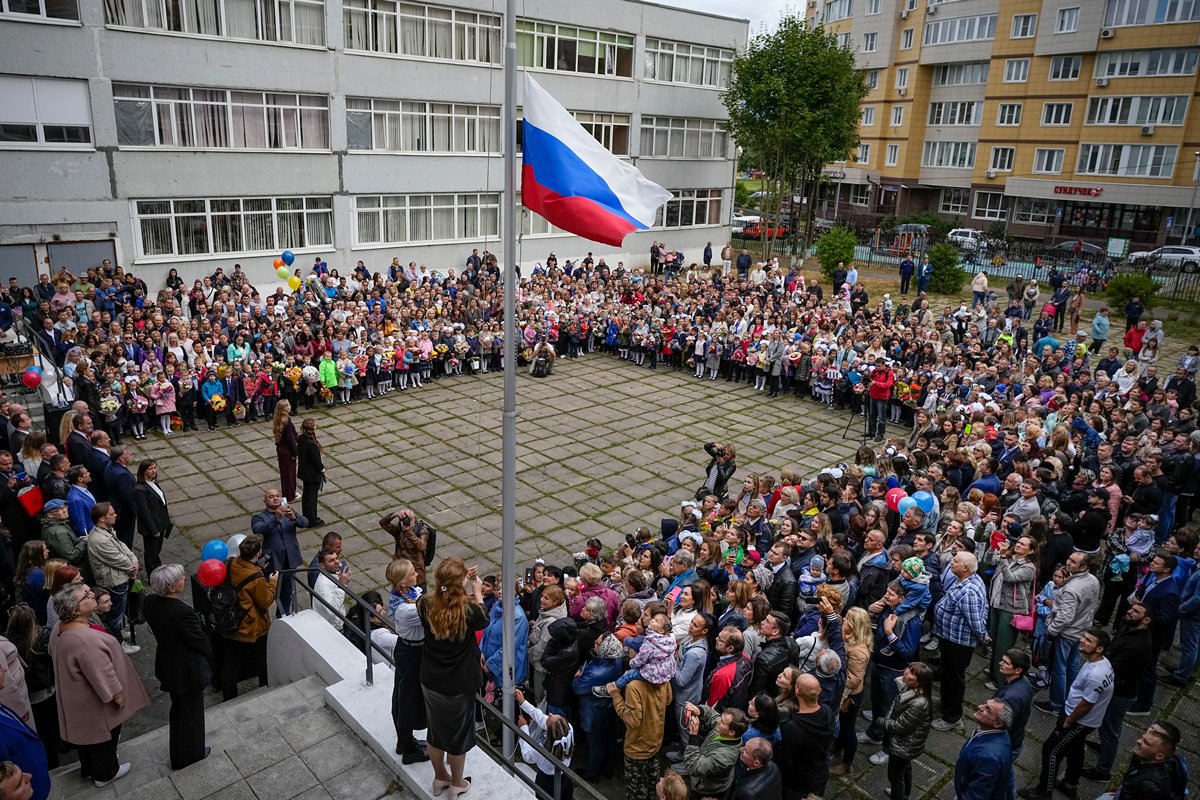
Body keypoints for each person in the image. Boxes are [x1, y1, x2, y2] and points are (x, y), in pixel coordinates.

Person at [47, 583, 149, 787]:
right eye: (86, 595)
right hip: (93, 701)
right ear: (75, 610)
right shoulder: (84, 639)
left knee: (87, 736)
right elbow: (102, 672)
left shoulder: (60, 628)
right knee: (105, 736)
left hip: (75, 696)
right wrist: (117, 695)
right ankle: (106, 773)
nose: (92, 594)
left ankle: (88, 769)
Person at [416, 557, 488, 800]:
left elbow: (444, 594)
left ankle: (440, 777)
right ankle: (457, 783)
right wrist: (476, 591)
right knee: (458, 738)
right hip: (458, 685)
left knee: (435, 732)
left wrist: (458, 581)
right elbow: (482, 617)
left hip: (431, 680)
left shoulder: (424, 603)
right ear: (460, 585)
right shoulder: (470, 612)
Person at [1020, 628, 1115, 800]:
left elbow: (1086, 704)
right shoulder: (1101, 662)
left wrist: (1068, 720)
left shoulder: (1095, 675)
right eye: (1084, 637)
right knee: (1075, 750)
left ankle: (1044, 791)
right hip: (1083, 719)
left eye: (1088, 640)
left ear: (1099, 648)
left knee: (1051, 750)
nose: (1082, 640)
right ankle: (1070, 784)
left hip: (1078, 721)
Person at [142, 564, 211, 770]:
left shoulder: (150, 602)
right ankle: (192, 754)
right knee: (191, 714)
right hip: (187, 671)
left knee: (179, 711)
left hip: (168, 664)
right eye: (181, 578)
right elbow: (198, 641)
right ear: (172, 587)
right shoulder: (182, 613)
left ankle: (180, 754)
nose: (184, 580)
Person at [1082, 603, 1152, 781]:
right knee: (1107, 727)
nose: (1130, 611)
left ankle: (1103, 770)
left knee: (1111, 729)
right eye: (1132, 608)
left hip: (1120, 693)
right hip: (1114, 687)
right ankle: (1105, 748)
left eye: (1136, 611)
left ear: (1146, 620)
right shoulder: (1128, 625)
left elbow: (1114, 670)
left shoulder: (1137, 645)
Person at [931, 551, 989, 733]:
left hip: (958, 642)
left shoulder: (969, 591)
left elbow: (975, 620)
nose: (951, 563)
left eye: (955, 561)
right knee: (948, 675)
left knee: (954, 678)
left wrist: (983, 637)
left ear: (965, 568)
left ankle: (952, 717)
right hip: (950, 638)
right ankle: (946, 701)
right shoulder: (967, 579)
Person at [1036, 551, 1100, 715]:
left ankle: (1056, 703)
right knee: (1072, 666)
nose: (1068, 562)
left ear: (1083, 567)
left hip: (1067, 633)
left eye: (1073, 561)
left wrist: (1051, 630)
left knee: (1059, 669)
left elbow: (1065, 617)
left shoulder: (1071, 589)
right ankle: (1072, 698)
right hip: (1082, 630)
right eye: (1069, 558)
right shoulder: (1093, 580)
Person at [221, 534, 277, 701]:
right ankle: (265, 688)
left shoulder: (230, 563)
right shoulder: (256, 577)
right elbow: (265, 600)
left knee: (231, 664)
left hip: (231, 622)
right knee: (262, 659)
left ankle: (229, 697)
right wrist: (273, 582)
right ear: (258, 553)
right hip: (251, 627)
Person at [608, 662, 673, 800]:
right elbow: (669, 699)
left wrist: (616, 696)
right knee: (652, 786)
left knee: (636, 791)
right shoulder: (664, 678)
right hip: (655, 742)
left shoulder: (634, 686)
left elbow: (632, 720)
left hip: (637, 748)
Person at [385, 558, 428, 764]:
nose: (416, 575)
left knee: (402, 695)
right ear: (402, 583)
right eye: (412, 573)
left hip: (407, 650)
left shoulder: (407, 594)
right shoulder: (407, 610)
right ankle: (409, 749)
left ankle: (405, 741)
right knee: (407, 700)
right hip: (413, 654)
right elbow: (434, 609)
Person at [874, 661, 934, 800]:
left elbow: (899, 727)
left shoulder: (918, 703)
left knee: (895, 777)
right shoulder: (910, 689)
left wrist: (880, 721)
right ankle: (905, 795)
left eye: (912, 673)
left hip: (903, 746)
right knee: (905, 769)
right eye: (908, 668)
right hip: (906, 745)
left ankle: (899, 796)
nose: (906, 672)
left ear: (920, 682)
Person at [84, 503, 139, 654]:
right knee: (114, 614)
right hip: (114, 582)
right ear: (102, 518)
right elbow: (117, 559)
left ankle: (119, 633)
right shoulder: (100, 540)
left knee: (119, 613)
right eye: (112, 514)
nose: (116, 515)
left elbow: (122, 547)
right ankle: (119, 644)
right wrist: (132, 567)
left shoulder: (106, 531)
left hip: (120, 578)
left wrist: (133, 559)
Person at [774, 672, 834, 799]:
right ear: (820, 691)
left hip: (797, 785)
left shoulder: (792, 727)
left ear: (797, 692)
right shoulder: (827, 712)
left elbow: (784, 762)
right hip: (820, 776)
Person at [250, 488, 308, 615]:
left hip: (290, 561)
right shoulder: (259, 517)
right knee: (267, 596)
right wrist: (276, 518)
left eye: (277, 496)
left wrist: (294, 517)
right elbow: (258, 529)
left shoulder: (288, 512)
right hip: (272, 565)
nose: (275, 498)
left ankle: (282, 617)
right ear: (264, 501)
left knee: (287, 595)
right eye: (271, 497)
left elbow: (305, 522)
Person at [515, 686, 575, 800]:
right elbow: (543, 719)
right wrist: (523, 703)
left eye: (550, 718)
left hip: (546, 782)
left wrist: (524, 729)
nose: (550, 714)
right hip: (565, 778)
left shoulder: (541, 749)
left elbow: (527, 756)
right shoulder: (568, 730)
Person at [679, 701, 747, 797]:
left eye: (722, 722)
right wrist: (699, 711)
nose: (718, 721)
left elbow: (694, 767)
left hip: (707, 789)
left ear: (731, 732)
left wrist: (693, 736)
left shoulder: (725, 757)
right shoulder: (725, 731)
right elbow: (712, 715)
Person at [953, 699, 1014, 800]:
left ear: (998, 724)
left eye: (988, 710)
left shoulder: (989, 757)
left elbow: (977, 795)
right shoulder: (1001, 733)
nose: (980, 706)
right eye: (985, 704)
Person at [132, 459, 171, 577]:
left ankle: (158, 570)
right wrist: (154, 530)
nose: (154, 471)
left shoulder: (153, 483)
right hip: (152, 527)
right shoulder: (140, 489)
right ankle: (153, 576)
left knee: (157, 550)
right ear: (143, 471)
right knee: (151, 553)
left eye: (155, 467)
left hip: (162, 523)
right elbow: (144, 513)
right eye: (150, 469)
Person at [379, 508, 433, 587]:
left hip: (415, 572)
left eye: (408, 518)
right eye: (403, 519)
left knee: (419, 597)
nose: (405, 521)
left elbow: (421, 546)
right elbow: (383, 523)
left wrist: (409, 532)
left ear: (414, 519)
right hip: (400, 570)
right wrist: (394, 515)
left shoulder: (421, 531)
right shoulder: (400, 530)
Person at [296, 417, 326, 527]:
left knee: (306, 495)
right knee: (312, 498)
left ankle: (307, 517)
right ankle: (312, 520)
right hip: (313, 474)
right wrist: (323, 470)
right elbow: (317, 461)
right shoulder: (311, 444)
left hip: (304, 471)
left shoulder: (301, 438)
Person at [312, 547, 349, 631]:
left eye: (336, 558)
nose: (337, 562)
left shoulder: (332, 573)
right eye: (331, 560)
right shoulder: (323, 586)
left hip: (338, 623)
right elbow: (332, 610)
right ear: (322, 565)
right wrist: (342, 585)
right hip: (332, 628)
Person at [272, 400, 298, 503]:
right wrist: (296, 453)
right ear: (284, 408)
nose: (290, 406)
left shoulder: (278, 419)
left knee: (285, 473)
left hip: (281, 449)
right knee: (290, 474)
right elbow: (290, 439)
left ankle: (288, 493)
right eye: (289, 405)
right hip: (287, 451)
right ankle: (290, 495)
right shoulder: (286, 421)